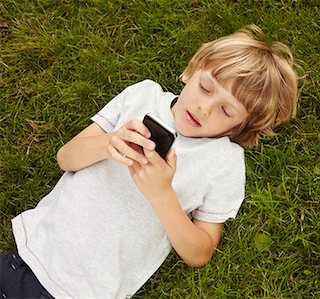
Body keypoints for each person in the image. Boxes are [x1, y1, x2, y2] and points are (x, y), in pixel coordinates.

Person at [0, 24, 299, 298]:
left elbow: (200, 252)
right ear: (190, 71)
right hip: (29, 254)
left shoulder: (224, 162)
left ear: (237, 129)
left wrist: (162, 194)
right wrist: (109, 142)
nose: (205, 107)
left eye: (226, 111)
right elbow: (65, 158)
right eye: (206, 88)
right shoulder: (141, 96)